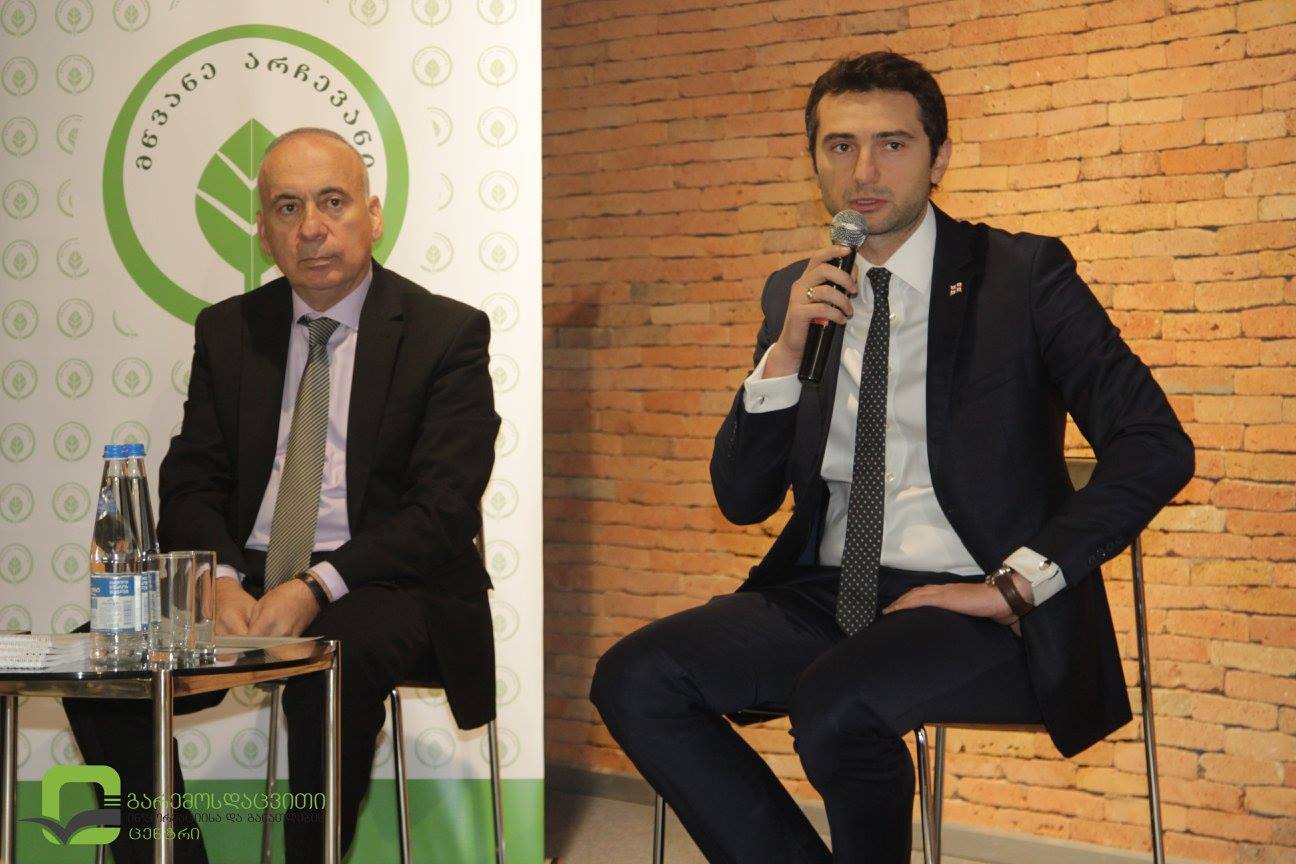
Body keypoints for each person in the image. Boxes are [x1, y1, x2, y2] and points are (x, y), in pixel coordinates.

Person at [590, 52, 1194, 864]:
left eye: (893, 144)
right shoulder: (797, 292)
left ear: (938, 159)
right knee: (636, 678)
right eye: (840, 146)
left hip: (978, 601)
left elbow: (1155, 444)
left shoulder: (1022, 276)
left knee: (837, 703)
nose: (864, 171)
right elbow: (742, 499)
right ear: (814, 161)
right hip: (830, 592)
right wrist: (783, 353)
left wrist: (1016, 585)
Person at [64, 127, 499, 863]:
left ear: (373, 215)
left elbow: (443, 507)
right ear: (264, 233)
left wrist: (316, 585)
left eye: (333, 202)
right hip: (249, 571)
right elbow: (192, 479)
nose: (311, 228)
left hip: (384, 580)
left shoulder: (444, 333)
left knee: (330, 660)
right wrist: (219, 578)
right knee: (104, 665)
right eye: (287, 208)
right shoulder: (229, 330)